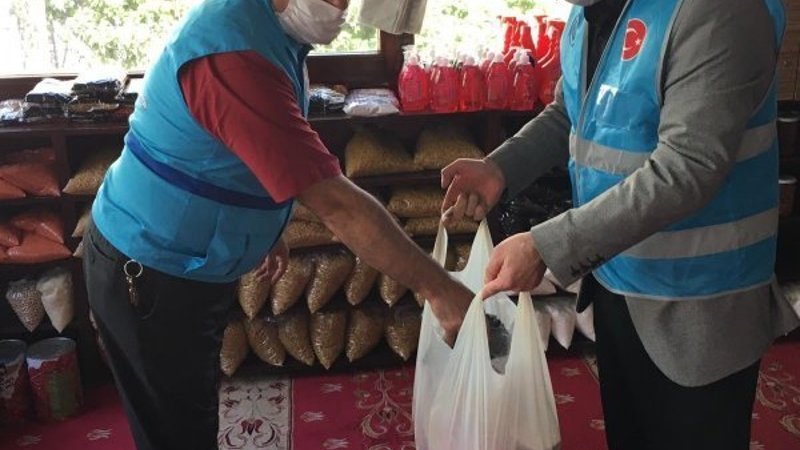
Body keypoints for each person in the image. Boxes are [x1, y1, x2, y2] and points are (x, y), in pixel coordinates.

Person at [83, 0, 472, 449]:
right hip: (151, 271)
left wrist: (269, 226)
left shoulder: (269, 30)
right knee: (175, 432)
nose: (342, 8)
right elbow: (336, 204)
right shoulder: (232, 57)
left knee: (190, 410)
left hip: (186, 264)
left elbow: (244, 151)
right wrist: (439, 289)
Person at [443, 0, 800, 449]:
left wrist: (546, 246)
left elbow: (688, 168)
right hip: (619, 282)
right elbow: (570, 111)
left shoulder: (718, 11)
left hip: (699, 302)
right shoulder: (588, 12)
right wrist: (501, 168)